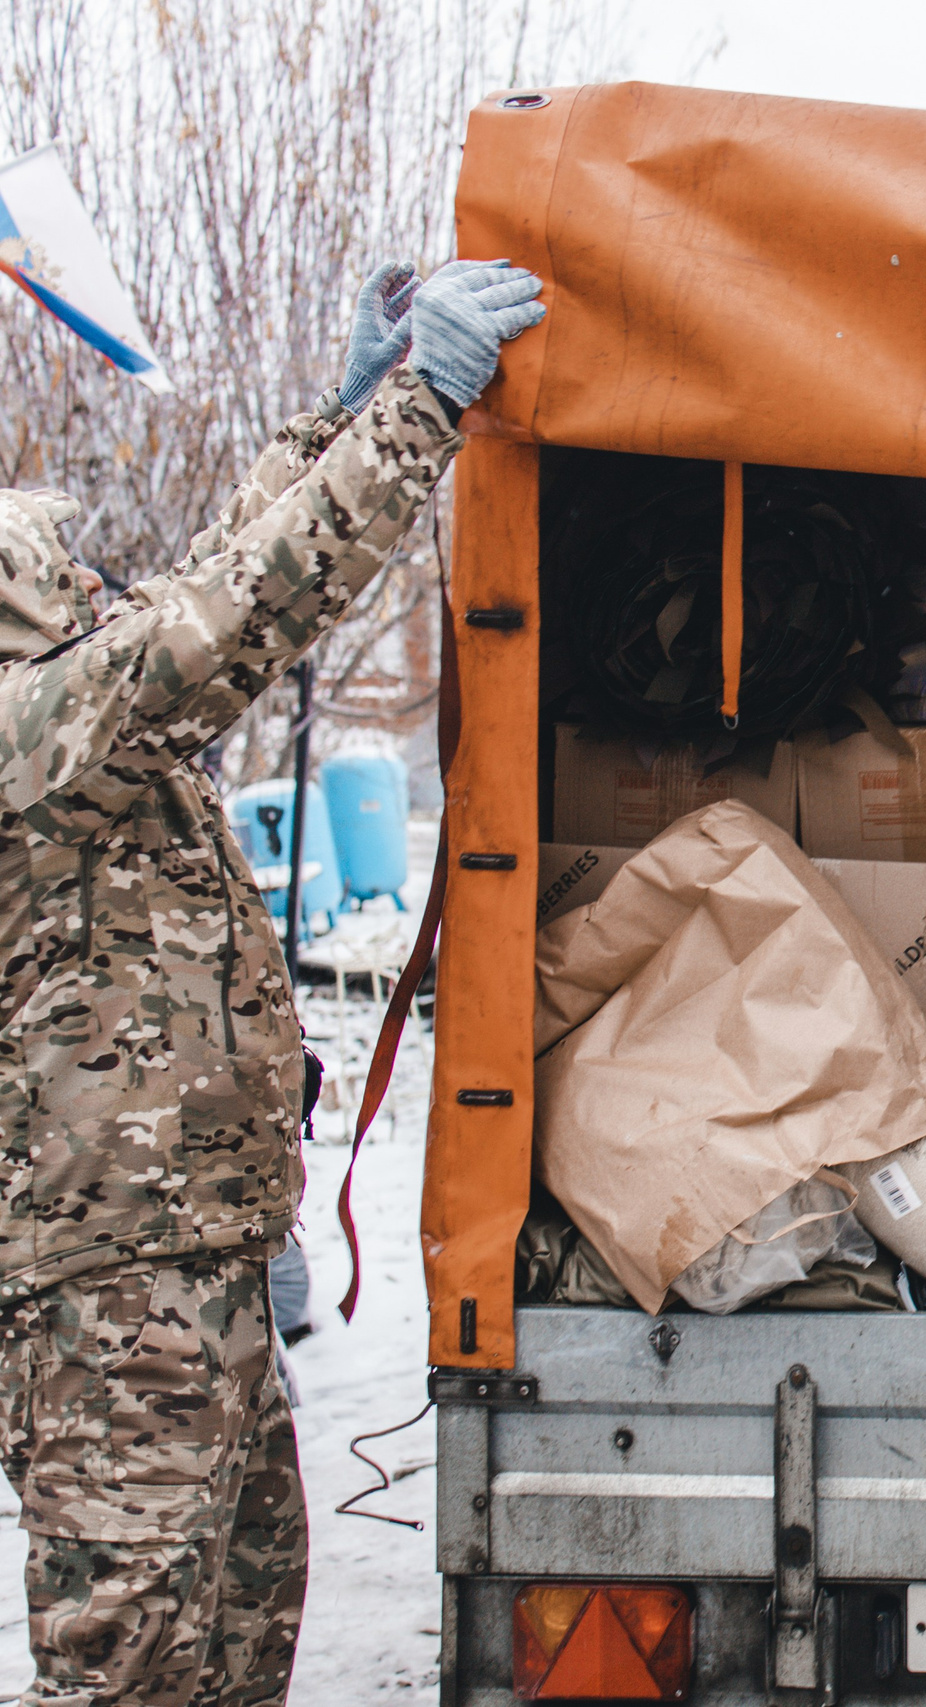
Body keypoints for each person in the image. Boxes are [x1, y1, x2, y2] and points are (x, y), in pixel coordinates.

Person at [0, 254, 545, 1704]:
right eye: (74, 586)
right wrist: (421, 407)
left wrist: (338, 411)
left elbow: (197, 591)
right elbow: (224, 620)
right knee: (130, 1665)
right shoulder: (35, 734)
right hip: (105, 1303)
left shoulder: (86, 718)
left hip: (201, 1265)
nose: (103, 595)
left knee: (242, 1643)